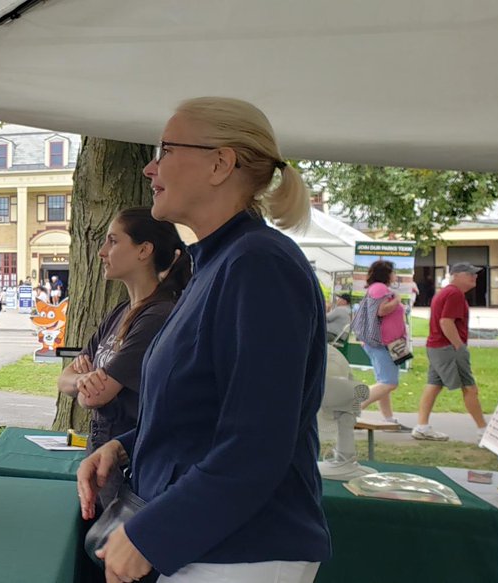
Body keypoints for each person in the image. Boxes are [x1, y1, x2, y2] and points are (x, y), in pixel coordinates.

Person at [78, 97, 329, 583]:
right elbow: (204, 409)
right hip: (206, 542)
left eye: (166, 149)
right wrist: (127, 447)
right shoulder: (218, 263)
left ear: (221, 163)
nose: (151, 168)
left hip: (240, 552)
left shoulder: (259, 265)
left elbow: (257, 443)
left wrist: (153, 534)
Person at [57, 207, 191, 454]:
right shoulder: (120, 312)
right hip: (101, 452)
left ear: (144, 250)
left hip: (128, 458)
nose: (102, 252)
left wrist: (85, 381)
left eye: (113, 241)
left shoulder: (156, 317)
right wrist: (82, 379)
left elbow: (93, 398)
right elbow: (64, 380)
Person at [413, 263, 488, 442]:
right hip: (448, 348)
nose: (474, 277)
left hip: (436, 346)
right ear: (456, 275)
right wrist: (459, 346)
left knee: (434, 385)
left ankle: (422, 426)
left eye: (475, 274)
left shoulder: (446, 292)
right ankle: (483, 430)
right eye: (470, 273)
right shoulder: (454, 293)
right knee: (470, 388)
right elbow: (446, 322)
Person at [356, 260, 410, 428]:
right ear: (386, 274)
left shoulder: (378, 289)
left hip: (388, 343)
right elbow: (381, 310)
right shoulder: (380, 288)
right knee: (389, 382)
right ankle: (352, 409)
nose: (395, 275)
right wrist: (397, 300)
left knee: (383, 381)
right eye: (393, 272)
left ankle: (388, 419)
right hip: (383, 342)